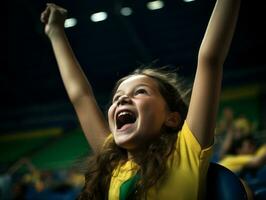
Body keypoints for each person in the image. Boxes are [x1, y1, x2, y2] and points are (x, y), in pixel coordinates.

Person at [40, 0, 241, 199]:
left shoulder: (187, 148)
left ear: (171, 118)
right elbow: (81, 97)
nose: (122, 99)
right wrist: (55, 31)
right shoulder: (114, 166)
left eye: (140, 92)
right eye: (117, 97)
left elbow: (210, 58)